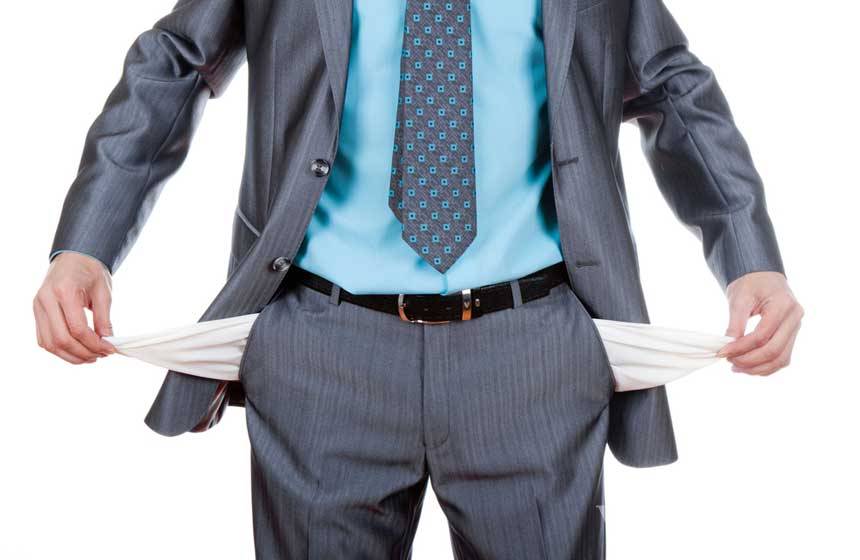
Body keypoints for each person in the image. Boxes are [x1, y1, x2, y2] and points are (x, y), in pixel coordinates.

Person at [34, 0, 803, 557]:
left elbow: (668, 84)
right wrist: (86, 247)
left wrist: (750, 258)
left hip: (533, 356)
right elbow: (174, 61)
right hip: (321, 354)